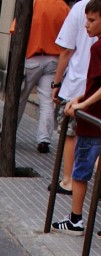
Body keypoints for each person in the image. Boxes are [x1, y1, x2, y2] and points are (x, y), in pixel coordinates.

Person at [53, 0, 101, 232]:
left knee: (81, 170)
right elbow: (95, 85)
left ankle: (75, 219)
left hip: (93, 119)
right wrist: (81, 98)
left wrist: (83, 104)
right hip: (89, 108)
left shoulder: (97, 48)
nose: (86, 26)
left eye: (91, 20)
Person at [13, 0, 70, 154]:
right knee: (47, 102)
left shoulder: (33, 3)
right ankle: (44, 139)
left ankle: (9, 131)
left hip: (33, 57)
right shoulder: (63, 7)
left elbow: (16, 30)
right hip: (54, 60)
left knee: (21, 97)